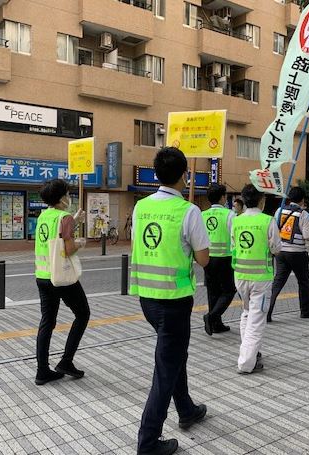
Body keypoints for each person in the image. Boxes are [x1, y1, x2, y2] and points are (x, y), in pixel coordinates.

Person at [130, 147, 209, 455]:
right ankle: (148, 442)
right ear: (184, 175)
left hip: (147, 299)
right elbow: (203, 259)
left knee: (174, 355)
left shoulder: (141, 208)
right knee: (165, 367)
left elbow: (141, 242)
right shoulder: (189, 211)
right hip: (174, 301)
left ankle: (186, 409)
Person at [34, 179, 90, 385]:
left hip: (43, 276)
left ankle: (42, 371)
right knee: (83, 314)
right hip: (62, 277)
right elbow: (67, 248)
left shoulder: (43, 216)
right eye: (67, 194)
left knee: (47, 322)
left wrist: (75, 220)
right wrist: (81, 243)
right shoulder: (64, 217)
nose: (69, 197)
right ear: (60, 198)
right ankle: (66, 361)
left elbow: (56, 234)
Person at [232, 184, 281, 374]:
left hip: (240, 276)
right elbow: (276, 248)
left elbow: (234, 245)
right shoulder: (268, 221)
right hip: (261, 278)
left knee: (246, 313)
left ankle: (249, 353)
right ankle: (246, 363)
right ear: (262, 200)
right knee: (256, 319)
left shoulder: (236, 221)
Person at [267, 186, 309, 323]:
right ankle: (305, 311)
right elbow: (307, 235)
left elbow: (274, 228)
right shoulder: (303, 214)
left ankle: (268, 312)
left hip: (281, 252)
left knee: (278, 282)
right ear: (302, 199)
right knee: (303, 281)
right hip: (297, 253)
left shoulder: (279, 211)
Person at [202, 183, 236, 335]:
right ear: (223, 197)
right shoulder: (230, 215)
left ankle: (216, 324)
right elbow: (234, 237)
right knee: (229, 290)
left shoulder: (202, 215)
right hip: (225, 257)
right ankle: (212, 317)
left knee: (213, 291)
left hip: (207, 258)